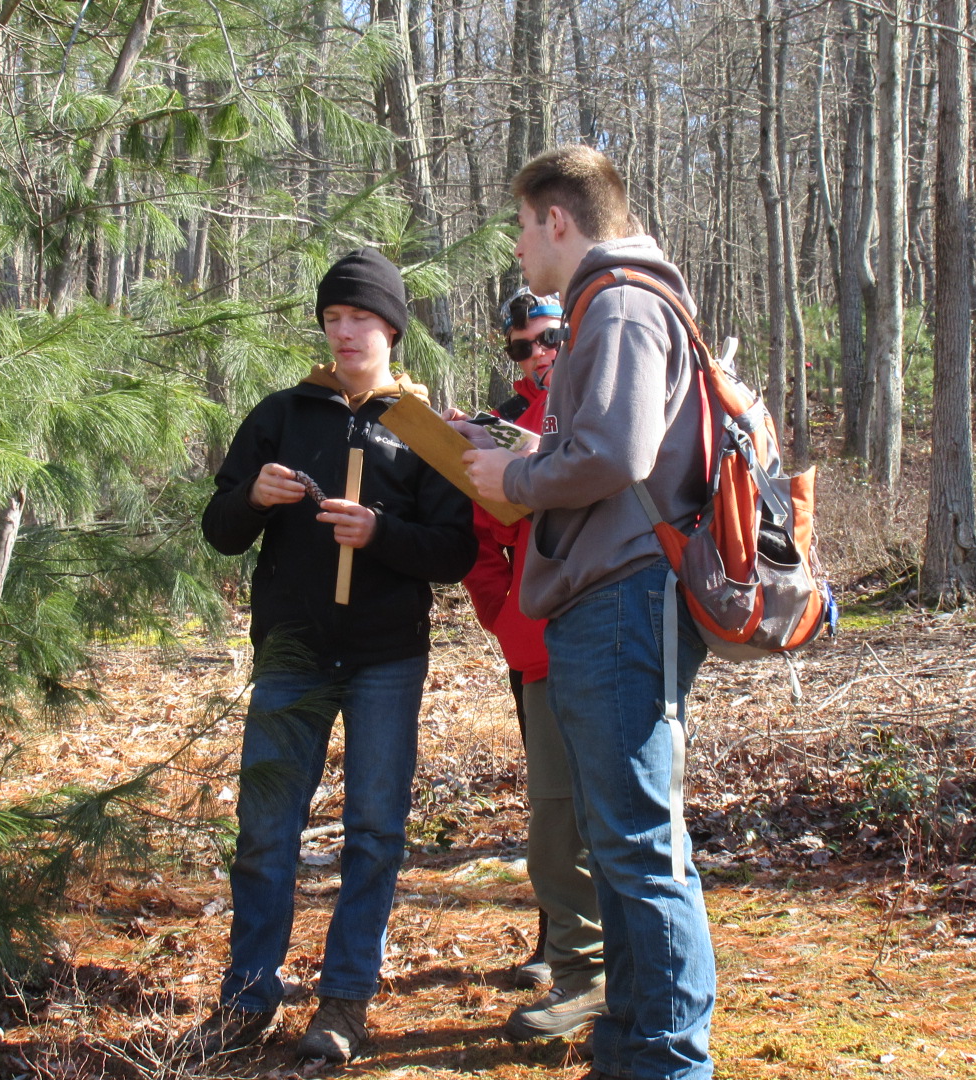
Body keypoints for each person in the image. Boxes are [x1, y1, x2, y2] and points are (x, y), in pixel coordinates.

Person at [188, 248, 477, 1065]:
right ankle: (247, 1000)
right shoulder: (282, 415)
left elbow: (454, 551)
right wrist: (253, 497)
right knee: (264, 831)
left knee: (374, 832)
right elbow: (219, 530)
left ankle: (345, 1002)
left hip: (386, 659)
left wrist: (379, 533)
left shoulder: (420, 428)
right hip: (293, 654)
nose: (345, 332)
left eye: (361, 318)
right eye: (333, 318)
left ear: (392, 328)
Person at [464, 146, 715, 1080]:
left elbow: (616, 453)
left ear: (558, 220)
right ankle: (633, 1044)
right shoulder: (609, 306)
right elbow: (607, 448)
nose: (518, 247)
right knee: (620, 842)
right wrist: (507, 448)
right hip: (610, 597)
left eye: (523, 227)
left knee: (641, 845)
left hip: (622, 599)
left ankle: (669, 1058)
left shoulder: (619, 303)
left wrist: (516, 478)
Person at [458, 288, 607, 1041]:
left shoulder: (600, 400)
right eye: (523, 347)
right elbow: (481, 544)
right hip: (533, 644)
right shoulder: (499, 426)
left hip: (608, 631)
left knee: (608, 805)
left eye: (550, 339)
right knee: (552, 804)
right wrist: (504, 614)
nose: (538, 354)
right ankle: (560, 950)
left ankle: (615, 966)